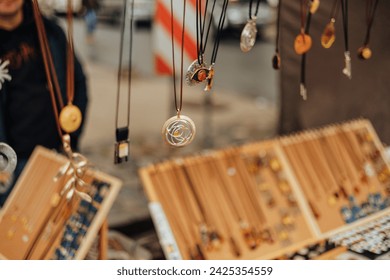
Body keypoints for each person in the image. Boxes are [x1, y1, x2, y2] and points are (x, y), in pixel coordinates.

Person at [0, 0, 88, 206]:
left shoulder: (50, 32)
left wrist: (71, 137)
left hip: (54, 153)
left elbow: (78, 82)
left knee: (55, 226)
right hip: (8, 166)